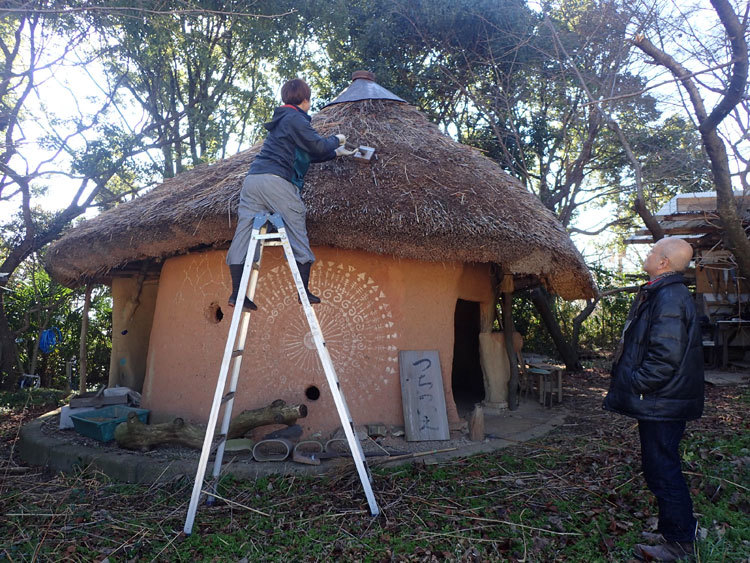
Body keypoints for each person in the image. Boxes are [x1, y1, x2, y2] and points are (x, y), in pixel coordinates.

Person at [604, 237, 704, 562]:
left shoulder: (670, 297)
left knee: (662, 469)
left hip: (663, 401)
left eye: (651, 252)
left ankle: (679, 543)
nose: (646, 255)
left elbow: (665, 356)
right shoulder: (664, 292)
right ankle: (676, 528)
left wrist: (634, 382)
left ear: (663, 262)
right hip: (663, 400)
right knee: (659, 466)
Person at [226, 78, 354, 310]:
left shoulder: (282, 120)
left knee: (245, 231)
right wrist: (337, 139)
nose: (309, 105)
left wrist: (336, 153)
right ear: (304, 100)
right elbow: (316, 146)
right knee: (295, 215)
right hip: (275, 180)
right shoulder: (295, 118)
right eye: (309, 100)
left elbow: (309, 153)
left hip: (253, 181)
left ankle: (237, 294)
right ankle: (303, 290)